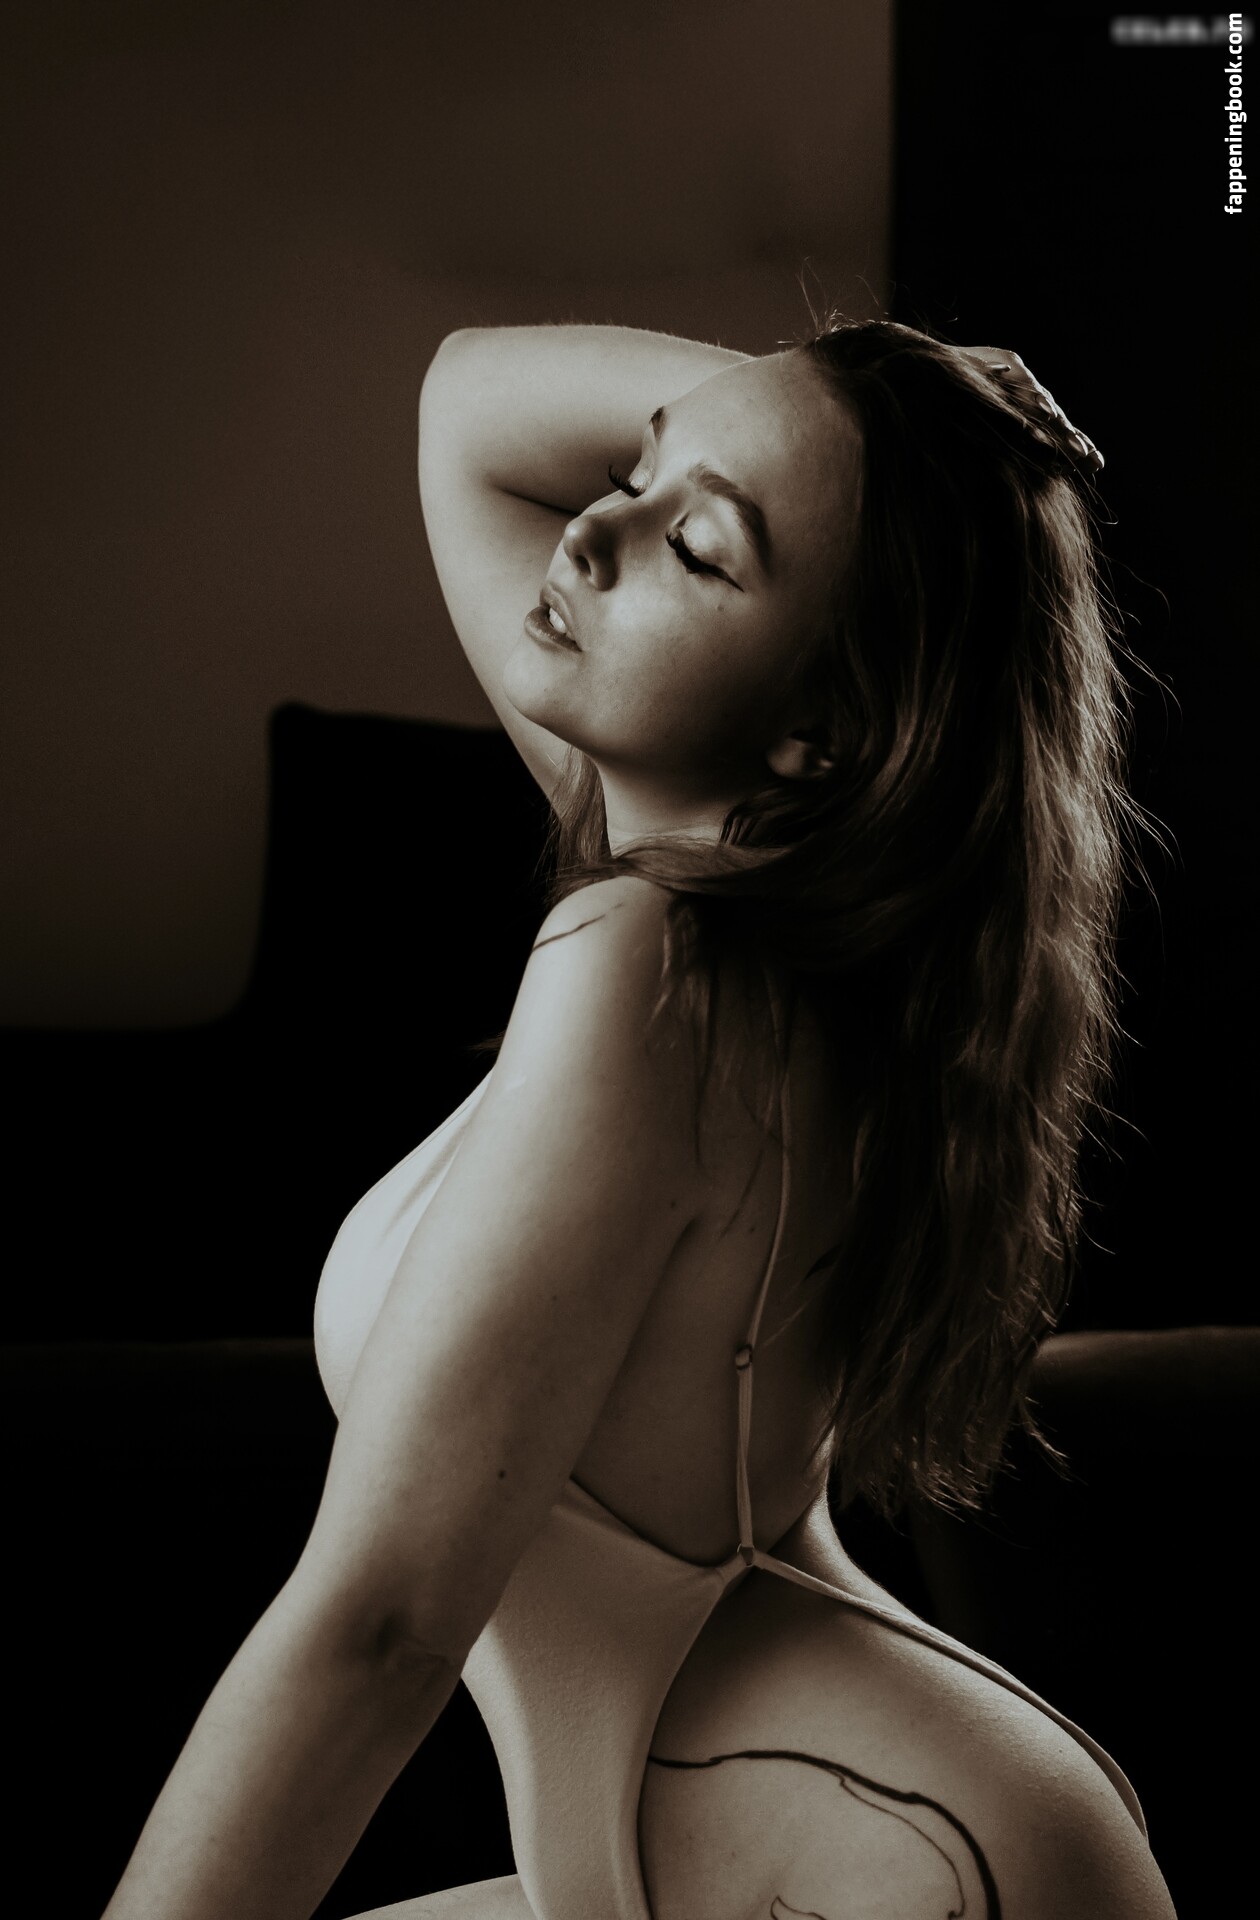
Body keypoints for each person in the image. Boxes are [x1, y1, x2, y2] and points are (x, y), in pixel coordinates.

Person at [103, 316, 1177, 1920]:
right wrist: (891, 399)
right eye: (636, 469)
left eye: (694, 546)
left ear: (825, 728)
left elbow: (385, 1629)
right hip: (893, 1835)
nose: (594, 533)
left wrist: (884, 439)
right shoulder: (780, 946)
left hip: (894, 1864)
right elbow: (466, 407)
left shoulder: (652, 965)